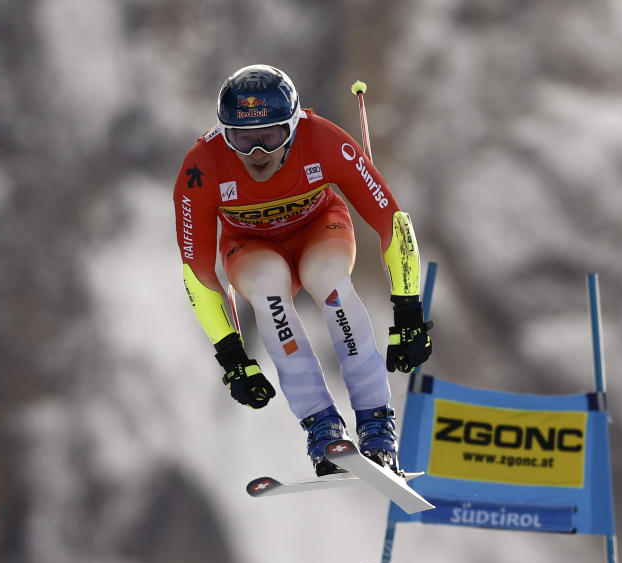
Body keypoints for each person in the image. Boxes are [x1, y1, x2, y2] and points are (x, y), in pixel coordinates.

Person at [173, 64, 432, 477]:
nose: (258, 154)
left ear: (292, 127)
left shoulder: (323, 139)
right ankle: (322, 427)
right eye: (242, 140)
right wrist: (231, 353)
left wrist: (408, 311)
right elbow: (199, 273)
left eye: (270, 137)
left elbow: (392, 223)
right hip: (251, 247)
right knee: (266, 289)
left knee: (328, 279)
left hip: (319, 229)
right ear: (224, 134)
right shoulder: (200, 167)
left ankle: (376, 424)